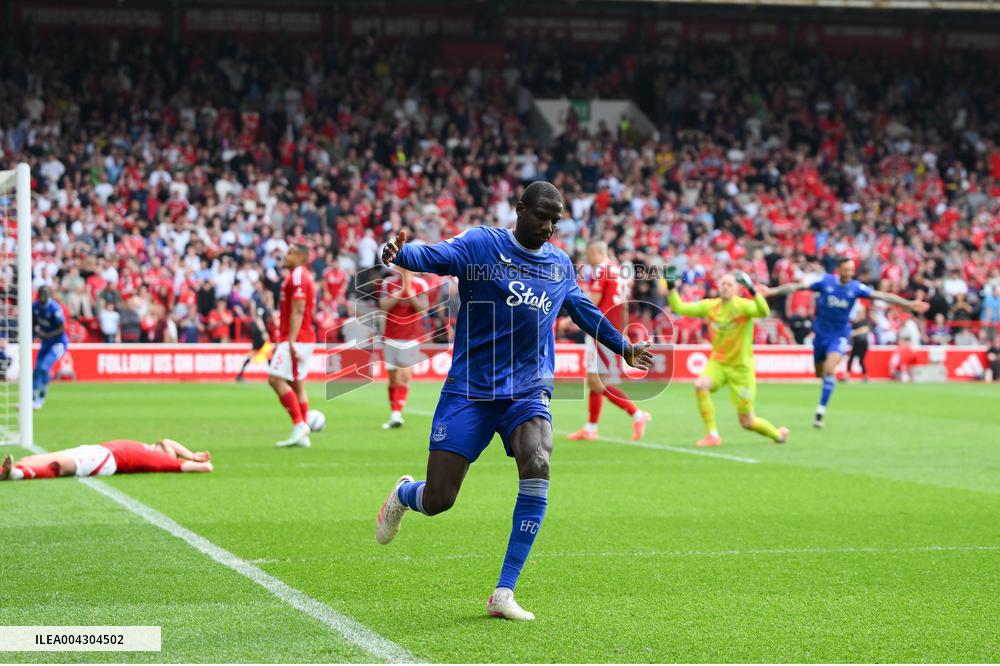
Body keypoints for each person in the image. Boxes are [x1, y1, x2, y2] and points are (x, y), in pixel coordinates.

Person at [374, 182, 653, 621]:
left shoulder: (560, 264)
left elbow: (582, 309)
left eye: (556, 220)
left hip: (527, 388)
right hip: (471, 388)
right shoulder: (483, 245)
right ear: (519, 209)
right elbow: (435, 256)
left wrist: (622, 346)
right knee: (441, 498)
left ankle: (504, 591)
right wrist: (399, 255)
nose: (549, 226)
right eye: (542, 216)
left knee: (538, 457)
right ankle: (405, 495)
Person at [764, 257, 928, 428]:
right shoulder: (826, 282)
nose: (849, 273)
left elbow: (882, 295)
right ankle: (826, 387)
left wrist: (908, 304)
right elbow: (796, 287)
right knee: (819, 373)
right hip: (820, 334)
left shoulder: (856, 287)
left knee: (829, 370)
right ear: (839, 270)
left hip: (840, 334)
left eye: (851, 269)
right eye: (846, 269)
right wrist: (771, 291)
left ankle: (820, 411)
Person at [666, 271, 789, 448]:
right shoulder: (710, 306)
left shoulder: (743, 306)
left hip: (741, 369)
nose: (725, 287)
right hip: (719, 364)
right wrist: (671, 287)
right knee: (701, 385)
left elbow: (763, 311)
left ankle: (778, 435)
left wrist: (753, 290)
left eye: (729, 284)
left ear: (737, 289)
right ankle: (713, 435)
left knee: (747, 422)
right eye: (722, 284)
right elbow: (679, 308)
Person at [566, 241, 651, 442]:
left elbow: (591, 303)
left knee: (596, 382)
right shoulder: (619, 271)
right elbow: (624, 306)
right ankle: (591, 427)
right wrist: (623, 334)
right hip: (612, 333)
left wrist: (569, 321)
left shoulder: (601, 271)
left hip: (599, 331)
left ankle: (637, 414)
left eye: (589, 255)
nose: (588, 260)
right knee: (597, 380)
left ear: (595, 252)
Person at [268, 244, 317, 448]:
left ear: (300, 257)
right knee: (297, 384)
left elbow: (298, 310)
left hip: (297, 338)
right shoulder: (298, 275)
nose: (285, 256)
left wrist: (290, 340)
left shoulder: (298, 276)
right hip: (300, 337)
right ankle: (303, 435)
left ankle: (299, 424)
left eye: (289, 253)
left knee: (275, 379)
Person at [2, 438, 212, 481]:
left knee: (63, 466)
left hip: (105, 461)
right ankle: (10, 470)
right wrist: (192, 453)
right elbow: (167, 441)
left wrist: (196, 462)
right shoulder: (152, 447)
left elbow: (207, 468)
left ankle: (17, 474)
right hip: (95, 449)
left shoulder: (159, 461)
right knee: (33, 458)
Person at [378, 267, 429, 429]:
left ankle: (396, 414)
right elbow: (383, 306)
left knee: (404, 376)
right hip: (390, 337)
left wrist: (410, 292)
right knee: (393, 378)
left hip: (411, 339)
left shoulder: (420, 284)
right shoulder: (388, 283)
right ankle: (394, 412)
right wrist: (400, 292)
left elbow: (423, 308)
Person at [32, 286, 68, 410]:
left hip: (58, 343)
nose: (43, 297)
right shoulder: (35, 306)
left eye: (45, 294)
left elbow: (62, 327)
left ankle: (41, 398)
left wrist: (47, 335)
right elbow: (33, 322)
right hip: (46, 343)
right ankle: (31, 398)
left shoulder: (54, 308)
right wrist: (35, 333)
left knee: (43, 367)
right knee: (36, 369)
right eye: (41, 294)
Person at [236, 284, 273, 383]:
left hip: (261, 332)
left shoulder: (267, 307)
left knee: (266, 352)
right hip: (259, 332)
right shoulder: (261, 306)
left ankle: (240, 374)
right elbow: (259, 319)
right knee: (262, 352)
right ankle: (272, 375)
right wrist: (264, 332)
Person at [846, 306, 871, 382]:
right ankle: (847, 376)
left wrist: (855, 333)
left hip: (863, 343)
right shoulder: (855, 323)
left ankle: (865, 376)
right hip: (856, 343)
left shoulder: (865, 321)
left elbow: (866, 330)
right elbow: (849, 332)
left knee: (861, 360)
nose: (859, 314)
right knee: (850, 359)